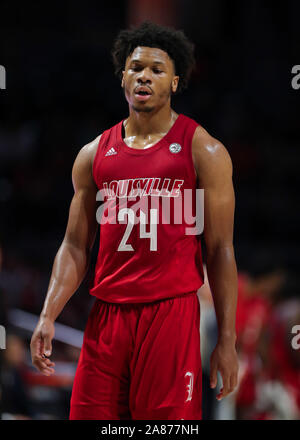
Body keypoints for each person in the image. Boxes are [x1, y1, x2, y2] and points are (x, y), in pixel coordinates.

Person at [30, 21, 239, 420]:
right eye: (136, 67)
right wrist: (47, 315)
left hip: (170, 315)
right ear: (123, 77)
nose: (144, 75)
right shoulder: (93, 155)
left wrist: (226, 339)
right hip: (107, 315)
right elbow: (75, 246)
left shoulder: (204, 150)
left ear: (175, 82)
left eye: (157, 69)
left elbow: (220, 249)